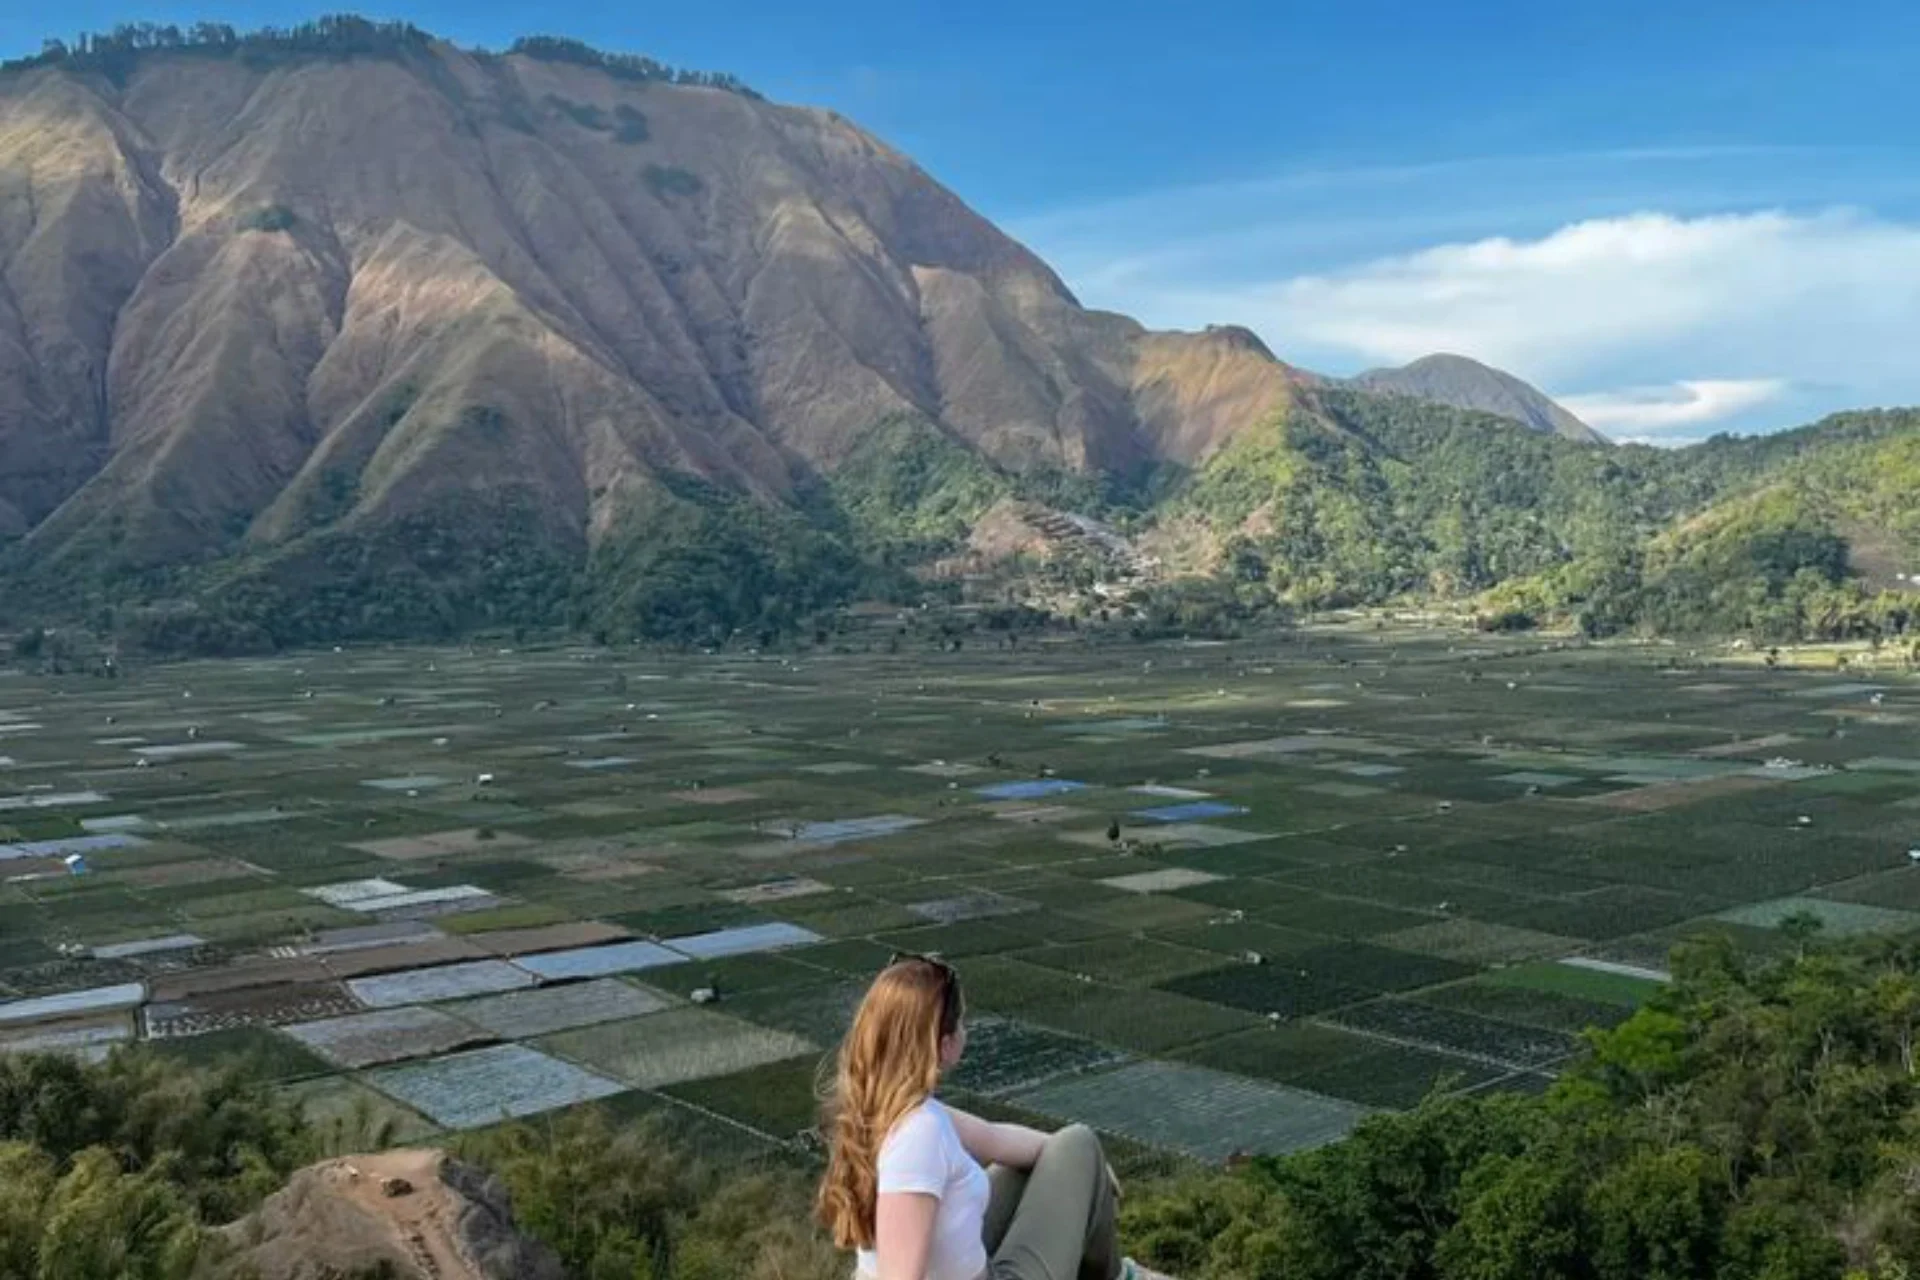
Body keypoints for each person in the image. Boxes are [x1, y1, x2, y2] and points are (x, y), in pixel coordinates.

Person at [817, 953, 1163, 1280]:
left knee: (1045, 1159)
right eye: (961, 1022)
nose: (966, 1030)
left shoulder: (880, 1108)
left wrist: (1087, 1170)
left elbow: (994, 1138)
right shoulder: (918, 1135)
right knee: (1080, 1138)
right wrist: (1083, 1157)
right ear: (944, 1045)